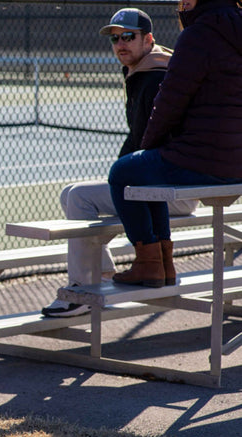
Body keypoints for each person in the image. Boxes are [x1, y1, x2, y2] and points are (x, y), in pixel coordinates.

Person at [42, 7, 200, 317]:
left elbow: (144, 142)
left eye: (128, 36)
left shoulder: (154, 78)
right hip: (170, 183)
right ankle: (99, 276)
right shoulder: (148, 69)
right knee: (71, 192)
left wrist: (119, 174)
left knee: (78, 196)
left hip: (173, 191)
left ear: (148, 39)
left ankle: (79, 292)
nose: (120, 44)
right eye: (115, 38)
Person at [108, 0, 242, 288]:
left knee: (123, 173)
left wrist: (149, 146)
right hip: (237, 163)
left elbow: (170, 101)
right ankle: (162, 263)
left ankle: (149, 263)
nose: (182, 4)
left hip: (204, 159)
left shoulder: (199, 35)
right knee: (144, 175)